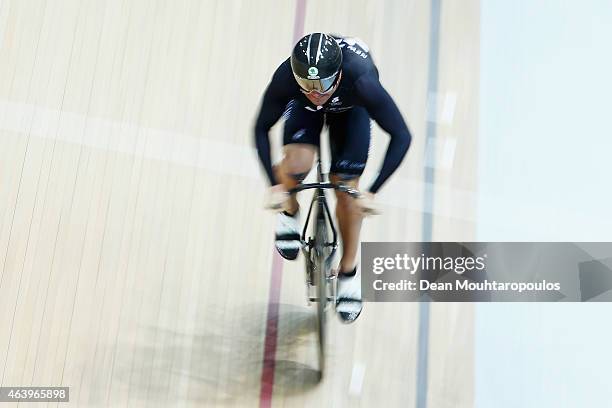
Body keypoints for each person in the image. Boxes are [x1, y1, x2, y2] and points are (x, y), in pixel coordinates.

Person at [254, 33, 412, 323]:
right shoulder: (288, 78)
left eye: (323, 84)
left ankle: (349, 271)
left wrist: (372, 192)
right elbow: (261, 127)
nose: (316, 92)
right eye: (307, 85)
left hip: (351, 110)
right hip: (305, 113)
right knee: (296, 165)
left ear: (338, 75)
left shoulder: (362, 80)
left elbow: (402, 135)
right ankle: (289, 211)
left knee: (348, 194)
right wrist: (275, 186)